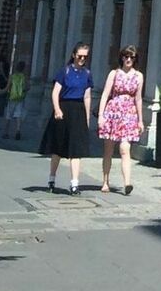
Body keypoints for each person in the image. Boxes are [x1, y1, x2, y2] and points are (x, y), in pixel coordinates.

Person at [40, 42, 92, 194]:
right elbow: (55, 92)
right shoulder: (65, 72)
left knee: (76, 150)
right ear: (74, 55)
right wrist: (57, 109)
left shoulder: (87, 74)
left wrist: (87, 116)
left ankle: (74, 183)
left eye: (85, 57)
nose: (82, 59)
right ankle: (52, 177)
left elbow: (87, 96)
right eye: (80, 56)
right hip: (64, 109)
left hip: (78, 110)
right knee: (58, 148)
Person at [96, 45, 145, 195]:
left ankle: (127, 182)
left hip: (129, 114)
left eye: (131, 57)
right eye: (126, 56)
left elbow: (138, 99)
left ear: (135, 59)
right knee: (109, 149)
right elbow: (105, 94)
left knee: (125, 149)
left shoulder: (139, 76)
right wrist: (101, 115)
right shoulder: (114, 73)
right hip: (113, 113)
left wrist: (140, 120)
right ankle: (105, 181)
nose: (128, 59)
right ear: (122, 58)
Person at [2, 60, 29, 140]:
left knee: (8, 115)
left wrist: (0, 91)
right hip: (20, 98)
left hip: (11, 98)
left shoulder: (12, 76)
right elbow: (28, 87)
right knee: (18, 115)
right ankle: (18, 130)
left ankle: (6, 133)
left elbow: (7, 88)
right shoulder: (24, 77)